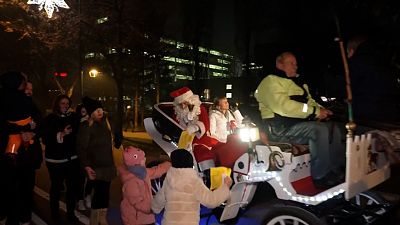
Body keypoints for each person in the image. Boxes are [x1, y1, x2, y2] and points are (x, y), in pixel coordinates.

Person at [254, 52, 345, 188]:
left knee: (333, 128)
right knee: (318, 130)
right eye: (291, 63)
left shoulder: (298, 83)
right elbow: (283, 107)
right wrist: (314, 112)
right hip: (279, 130)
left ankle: (336, 169)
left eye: (296, 64)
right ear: (280, 65)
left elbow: (310, 102)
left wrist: (323, 110)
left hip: (298, 126)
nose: (295, 67)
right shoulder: (270, 81)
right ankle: (320, 175)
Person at [0, 72, 42, 225]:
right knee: (9, 189)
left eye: (30, 88)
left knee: (26, 188)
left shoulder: (30, 102)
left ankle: (24, 217)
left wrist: (32, 132)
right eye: (25, 86)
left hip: (27, 157)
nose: (28, 90)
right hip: (8, 157)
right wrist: (20, 130)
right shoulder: (6, 101)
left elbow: (39, 120)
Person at [151, 148, 231, 225]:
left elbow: (158, 201)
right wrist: (225, 187)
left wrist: (153, 207)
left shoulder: (169, 179)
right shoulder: (194, 181)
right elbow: (211, 201)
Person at [77, 96, 117, 225]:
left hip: (108, 165)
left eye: (100, 109)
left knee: (105, 193)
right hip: (95, 166)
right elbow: (81, 149)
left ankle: (102, 218)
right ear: (90, 112)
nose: (100, 112)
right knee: (98, 194)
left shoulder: (107, 123)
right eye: (96, 110)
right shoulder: (86, 126)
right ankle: (94, 219)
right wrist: (86, 167)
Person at [42, 94, 81, 223]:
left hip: (71, 159)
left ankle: (71, 213)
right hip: (55, 161)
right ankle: (55, 214)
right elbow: (46, 139)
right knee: (56, 187)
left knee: (72, 188)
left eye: (67, 103)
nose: (65, 106)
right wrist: (61, 134)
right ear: (57, 104)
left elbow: (83, 118)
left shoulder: (73, 117)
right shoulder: (50, 118)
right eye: (62, 103)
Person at [347, 36, 400, 122]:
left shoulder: (356, 63)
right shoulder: (385, 61)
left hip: (365, 116)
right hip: (391, 113)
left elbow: (347, 87)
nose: (348, 56)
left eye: (348, 53)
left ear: (352, 51)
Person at [169, 87, 219, 172]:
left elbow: (206, 124)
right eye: (180, 104)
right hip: (184, 140)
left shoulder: (200, 109)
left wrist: (195, 127)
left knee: (202, 152)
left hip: (200, 138)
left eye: (185, 103)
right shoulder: (177, 113)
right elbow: (174, 126)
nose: (183, 106)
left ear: (191, 100)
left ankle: (208, 172)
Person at [118, 146, 171, 225]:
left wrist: (169, 164)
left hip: (146, 217)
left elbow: (156, 171)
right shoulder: (131, 182)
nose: (145, 159)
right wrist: (152, 208)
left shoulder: (142, 172)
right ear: (137, 163)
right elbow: (137, 202)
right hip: (135, 219)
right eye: (143, 159)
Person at [209, 96, 247, 168]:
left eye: (227, 102)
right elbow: (212, 132)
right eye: (225, 102)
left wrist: (236, 111)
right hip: (221, 144)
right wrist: (222, 139)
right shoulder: (213, 115)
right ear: (218, 106)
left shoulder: (229, 113)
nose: (227, 104)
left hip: (231, 143)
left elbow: (241, 125)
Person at [75, 103, 92, 210]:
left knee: (91, 178)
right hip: (79, 156)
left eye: (87, 112)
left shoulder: (93, 122)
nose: (85, 114)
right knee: (80, 179)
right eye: (83, 112)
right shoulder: (76, 123)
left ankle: (88, 196)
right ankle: (80, 199)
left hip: (91, 155)